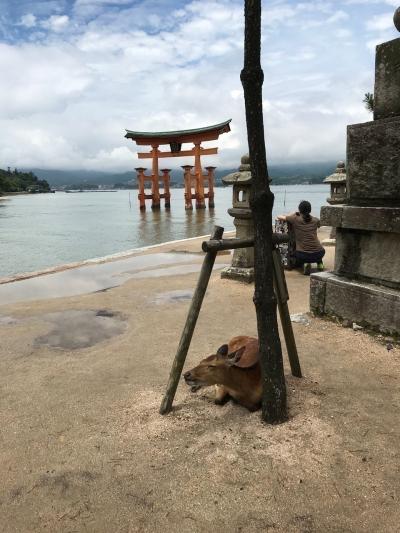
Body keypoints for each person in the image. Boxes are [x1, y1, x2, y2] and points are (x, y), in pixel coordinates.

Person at [277, 200, 325, 275]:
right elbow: (319, 224)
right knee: (315, 247)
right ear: (310, 210)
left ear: (300, 210)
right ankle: (320, 263)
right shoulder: (315, 220)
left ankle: (305, 264)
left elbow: (279, 217)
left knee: (295, 252)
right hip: (320, 253)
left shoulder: (295, 219)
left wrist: (294, 213)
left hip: (303, 255)